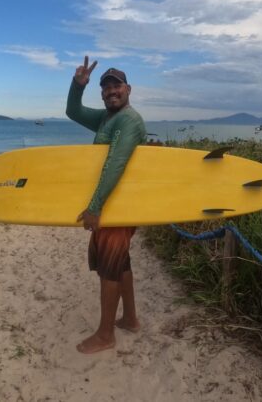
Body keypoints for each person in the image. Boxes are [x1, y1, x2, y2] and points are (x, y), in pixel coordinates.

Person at [66, 56, 147, 354]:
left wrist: (95, 206)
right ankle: (130, 319)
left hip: (117, 204)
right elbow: (72, 111)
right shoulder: (105, 118)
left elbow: (116, 163)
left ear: (128, 89)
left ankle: (105, 334)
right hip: (113, 203)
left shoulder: (129, 119)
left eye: (117, 86)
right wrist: (78, 85)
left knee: (109, 267)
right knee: (120, 260)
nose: (111, 91)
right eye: (106, 88)